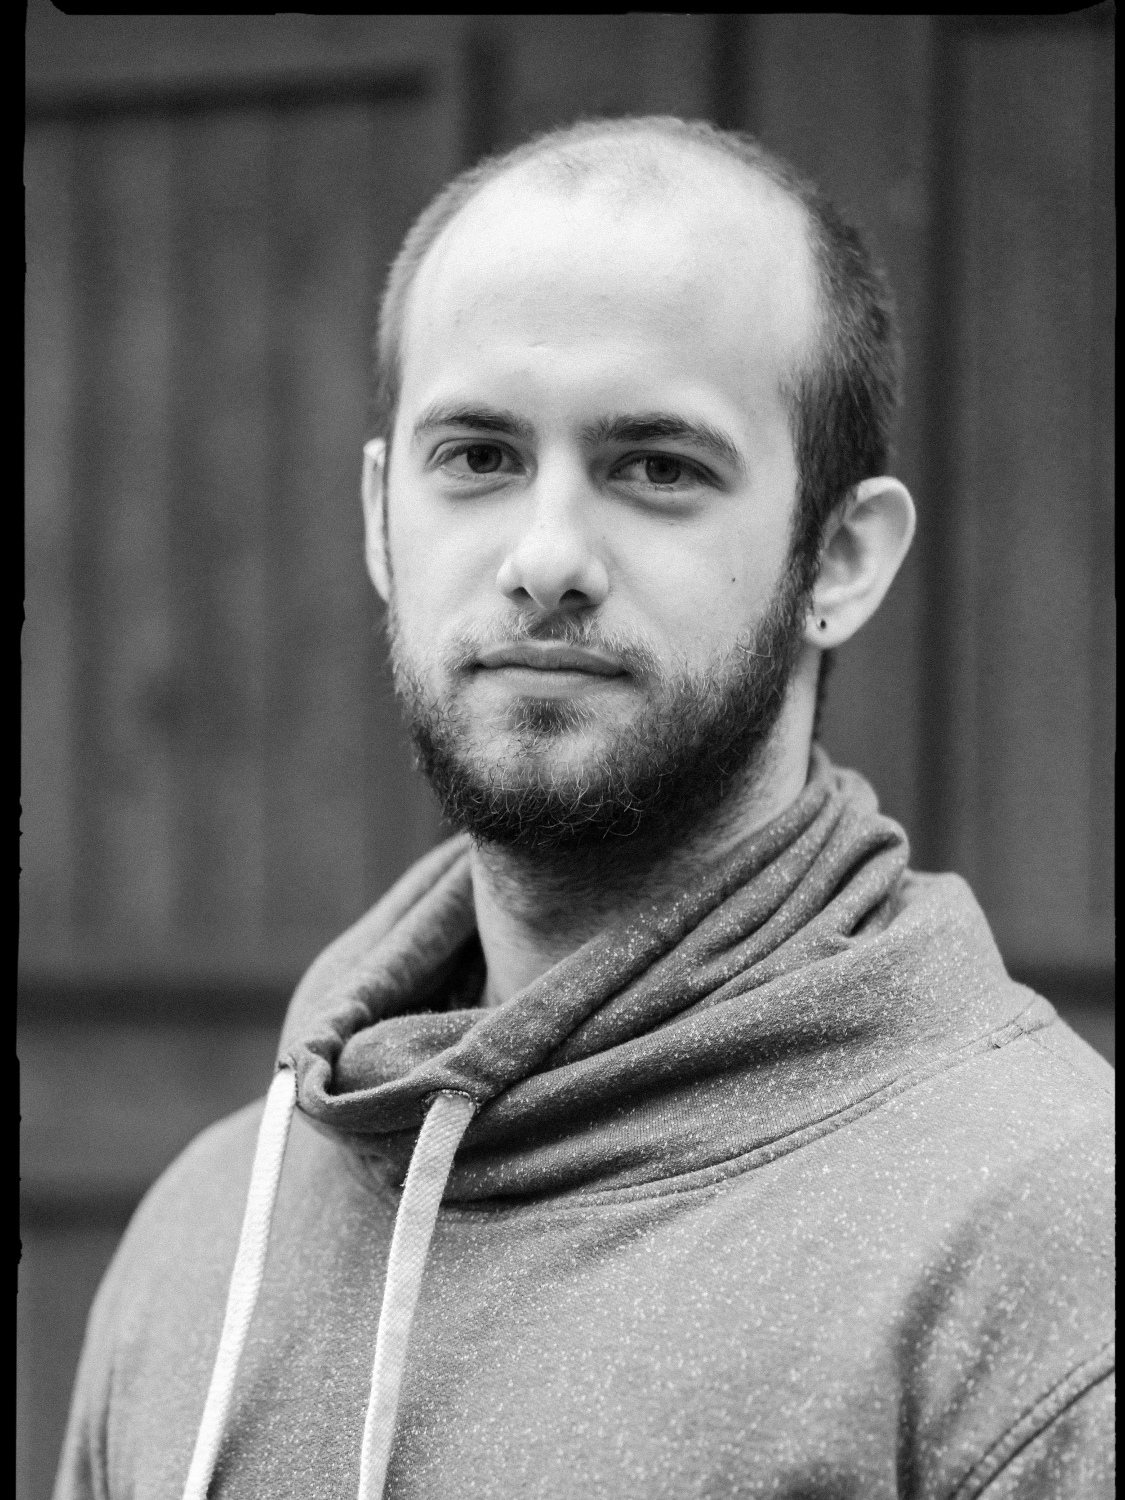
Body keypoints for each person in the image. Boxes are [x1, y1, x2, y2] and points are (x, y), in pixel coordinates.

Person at [55, 116, 1113, 1500]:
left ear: (840, 559)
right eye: (478, 457)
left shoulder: (1050, 1242)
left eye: (658, 467)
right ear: (380, 520)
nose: (546, 556)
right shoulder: (203, 1239)